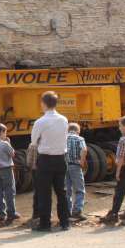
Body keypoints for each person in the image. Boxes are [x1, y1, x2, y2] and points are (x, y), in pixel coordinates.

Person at [30, 91, 70, 232]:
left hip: (45, 159)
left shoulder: (40, 121)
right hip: (60, 158)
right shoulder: (64, 119)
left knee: (44, 193)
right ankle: (65, 222)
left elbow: (33, 142)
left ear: (43, 103)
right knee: (62, 192)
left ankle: (45, 223)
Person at [65, 122, 88, 221]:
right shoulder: (79, 138)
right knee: (79, 189)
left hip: (63, 167)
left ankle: (66, 212)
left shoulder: (62, 138)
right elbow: (84, 149)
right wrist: (82, 162)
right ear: (78, 131)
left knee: (67, 190)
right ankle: (77, 211)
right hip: (75, 166)